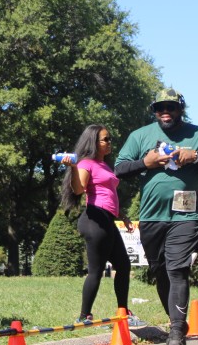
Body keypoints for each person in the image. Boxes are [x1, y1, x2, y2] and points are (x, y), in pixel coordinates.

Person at [114, 88, 198, 345]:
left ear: (181, 109)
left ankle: (176, 332)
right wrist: (146, 162)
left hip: (186, 216)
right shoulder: (140, 136)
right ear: (154, 111)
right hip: (152, 217)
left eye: (171, 107)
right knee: (161, 272)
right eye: (160, 107)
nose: (165, 112)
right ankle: (177, 322)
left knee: (177, 269)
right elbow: (119, 169)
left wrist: (196, 158)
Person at [61, 124, 143, 327]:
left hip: (107, 219)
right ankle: (83, 316)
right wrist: (73, 167)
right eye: (105, 139)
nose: (109, 142)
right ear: (93, 142)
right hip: (94, 219)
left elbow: (109, 195)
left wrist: (123, 216)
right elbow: (78, 189)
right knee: (96, 270)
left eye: (109, 138)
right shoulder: (85, 163)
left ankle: (123, 312)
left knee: (123, 265)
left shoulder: (104, 165)